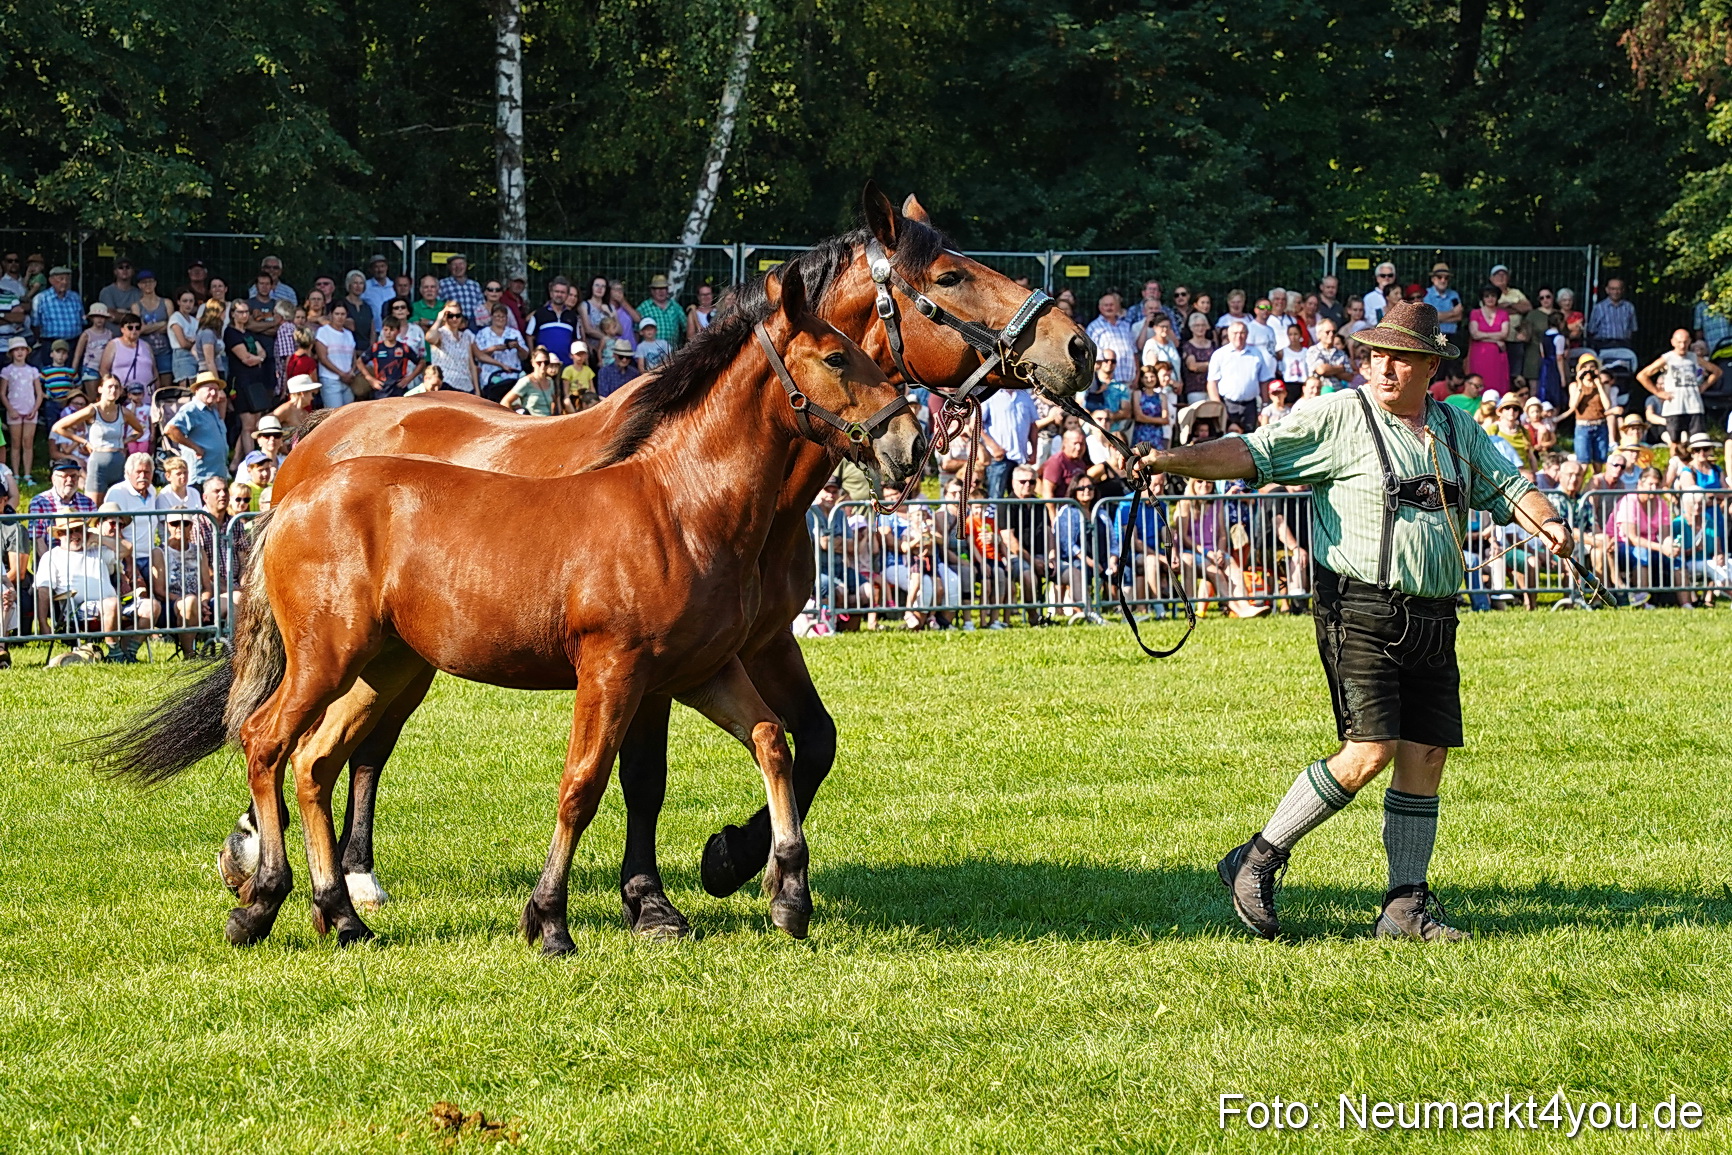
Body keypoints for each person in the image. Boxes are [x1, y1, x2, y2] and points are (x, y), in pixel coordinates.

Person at [1136, 300, 1569, 942]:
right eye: (1377, 355)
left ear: (1430, 365)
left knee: (1425, 753)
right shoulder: (1337, 415)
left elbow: (1507, 488)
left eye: (1400, 358)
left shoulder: (1456, 428)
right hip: (1360, 608)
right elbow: (1253, 452)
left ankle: (1405, 906)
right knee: (1368, 752)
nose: (1385, 368)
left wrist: (1550, 523)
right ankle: (1256, 859)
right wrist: (1170, 461)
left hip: (1435, 616)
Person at [32, 518, 128, 658]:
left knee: (151, 607)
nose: (75, 535)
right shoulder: (52, 556)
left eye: (79, 530)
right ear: (59, 534)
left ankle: (129, 653)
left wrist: (97, 537)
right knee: (112, 603)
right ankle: (115, 654)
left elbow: (128, 549)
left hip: (112, 605)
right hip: (77, 610)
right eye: (69, 532)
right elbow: (43, 590)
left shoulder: (97, 551)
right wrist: (43, 623)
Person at [52, 376, 141, 497]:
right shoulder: (92, 410)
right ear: (100, 389)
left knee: (119, 508)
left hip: (118, 463)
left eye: (116, 387)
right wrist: (84, 442)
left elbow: (139, 431)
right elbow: (58, 427)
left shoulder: (124, 412)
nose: (113, 390)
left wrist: (124, 442)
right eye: (109, 386)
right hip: (98, 463)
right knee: (94, 510)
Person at [1636, 328, 1721, 444]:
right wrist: (1658, 392)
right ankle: (1674, 461)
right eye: (1679, 342)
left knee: (1698, 440)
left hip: (1694, 405)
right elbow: (1642, 375)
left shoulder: (1694, 358)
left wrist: (1704, 386)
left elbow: (1717, 371)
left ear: (1690, 341)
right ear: (1673, 342)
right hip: (1674, 407)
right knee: (1675, 442)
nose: (1682, 345)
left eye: (1685, 342)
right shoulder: (1667, 358)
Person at [1206, 320, 1277, 433]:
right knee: (1226, 441)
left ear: (1247, 334)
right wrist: (1217, 404)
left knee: (1250, 439)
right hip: (1228, 405)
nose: (1238, 336)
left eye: (1242, 333)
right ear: (1229, 335)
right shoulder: (1220, 355)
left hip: (1250, 405)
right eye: (1235, 333)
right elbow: (1212, 382)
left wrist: (1264, 404)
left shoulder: (1256, 353)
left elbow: (1263, 381)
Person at [163, 373, 231, 484]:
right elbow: (170, 430)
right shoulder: (191, 410)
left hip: (217, 475)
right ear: (197, 390)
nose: (214, 393)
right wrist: (195, 447)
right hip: (200, 477)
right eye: (209, 389)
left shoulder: (212, 410)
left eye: (216, 390)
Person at [981, 384, 1037, 498]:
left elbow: (1033, 426)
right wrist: (994, 447)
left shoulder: (1025, 396)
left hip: (1020, 459)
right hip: (999, 459)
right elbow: (976, 425)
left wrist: (1035, 451)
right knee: (995, 500)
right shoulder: (989, 395)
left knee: (1020, 498)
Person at [3, 337, 43, 479]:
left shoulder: (32, 370)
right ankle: (15, 474)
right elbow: (2, 393)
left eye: (22, 349)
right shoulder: (7, 371)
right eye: (16, 350)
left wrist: (35, 409)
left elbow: (39, 393)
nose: (19, 352)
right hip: (14, 410)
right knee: (15, 443)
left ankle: (27, 474)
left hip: (30, 411)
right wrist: (10, 409)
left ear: (27, 352)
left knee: (28, 442)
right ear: (12, 353)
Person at [356, 316, 421, 399]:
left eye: (392, 330)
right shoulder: (376, 347)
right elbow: (359, 361)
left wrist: (409, 378)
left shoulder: (404, 348)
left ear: (398, 331)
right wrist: (370, 379)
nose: (388, 333)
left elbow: (421, 362)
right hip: (381, 390)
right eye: (386, 330)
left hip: (399, 389)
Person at [29, 266, 83, 363]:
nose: (65, 282)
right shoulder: (41, 298)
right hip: (50, 344)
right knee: (51, 374)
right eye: (61, 279)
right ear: (51, 280)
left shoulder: (75, 297)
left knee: (70, 374)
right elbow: (35, 325)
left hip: (73, 343)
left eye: (67, 279)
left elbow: (82, 320)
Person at [474, 303, 529, 399]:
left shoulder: (514, 333)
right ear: (491, 317)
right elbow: (478, 355)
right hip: (492, 377)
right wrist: (495, 348)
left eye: (503, 316)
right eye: (497, 316)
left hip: (514, 375)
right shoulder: (483, 333)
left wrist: (518, 347)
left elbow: (525, 356)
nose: (500, 319)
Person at [1465, 284, 1511, 397]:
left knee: (1497, 382)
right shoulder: (1475, 313)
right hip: (1479, 354)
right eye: (1487, 296)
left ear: (1497, 297)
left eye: (1493, 295)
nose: (1490, 298)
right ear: (1482, 298)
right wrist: (1495, 340)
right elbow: (1475, 334)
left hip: (1497, 356)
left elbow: (1504, 334)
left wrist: (1484, 336)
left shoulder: (1503, 313)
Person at [425, 303, 480, 394]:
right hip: (446, 384)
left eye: (457, 315)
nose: (454, 319)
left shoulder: (466, 336)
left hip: (466, 386)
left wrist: (477, 390)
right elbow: (429, 338)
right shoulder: (440, 333)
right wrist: (439, 318)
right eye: (450, 315)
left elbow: (471, 365)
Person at [99, 312, 157, 393]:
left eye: (137, 327)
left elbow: (154, 372)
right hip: (122, 393)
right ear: (122, 329)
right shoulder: (114, 344)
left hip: (146, 395)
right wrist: (115, 388)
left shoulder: (146, 346)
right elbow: (103, 370)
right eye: (130, 328)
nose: (134, 330)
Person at [1086, 293, 1135, 385]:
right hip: (1107, 382)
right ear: (1100, 308)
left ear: (1117, 307)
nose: (1109, 308)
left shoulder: (1126, 325)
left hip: (1129, 382)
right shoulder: (1094, 327)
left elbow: (1134, 352)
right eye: (1106, 305)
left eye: (1112, 305)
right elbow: (1091, 355)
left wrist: (1136, 377)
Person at [501, 349, 562, 416]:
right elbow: (505, 402)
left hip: (548, 421)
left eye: (546, 362)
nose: (543, 366)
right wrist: (515, 420)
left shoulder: (550, 381)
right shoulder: (526, 381)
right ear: (532, 363)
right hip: (532, 422)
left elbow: (553, 402)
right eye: (539, 363)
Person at [1039, 427, 1092, 499]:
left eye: (1081, 444)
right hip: (1062, 507)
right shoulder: (1056, 462)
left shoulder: (1081, 462)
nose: (1078, 448)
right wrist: (1052, 510)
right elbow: (1047, 492)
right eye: (1075, 443)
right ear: (1065, 443)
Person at [1586, 278, 1637, 352]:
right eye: (1612, 289)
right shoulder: (1599, 308)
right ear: (1607, 290)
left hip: (1624, 345)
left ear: (1623, 290)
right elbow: (1591, 329)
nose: (1616, 292)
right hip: (1604, 344)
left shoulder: (1629, 307)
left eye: (1618, 289)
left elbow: (1633, 329)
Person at [636, 275, 685, 351]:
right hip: (649, 354)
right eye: (657, 289)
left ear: (667, 290)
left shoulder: (675, 307)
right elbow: (635, 330)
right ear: (652, 291)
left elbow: (686, 326)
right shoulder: (643, 307)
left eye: (663, 288)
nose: (661, 291)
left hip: (671, 354)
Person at [271, 374, 324, 442]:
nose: (312, 398)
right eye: (311, 394)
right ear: (302, 394)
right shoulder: (285, 409)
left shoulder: (305, 413)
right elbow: (265, 425)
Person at [437, 254, 484, 324]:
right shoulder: (443, 284)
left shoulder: (475, 285)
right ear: (449, 267)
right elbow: (438, 305)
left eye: (461, 264)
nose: (458, 267)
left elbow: (482, 305)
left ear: (466, 266)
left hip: (473, 324)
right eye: (454, 264)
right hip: (452, 323)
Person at [360, 255, 396, 326]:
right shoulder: (365, 286)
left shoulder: (393, 286)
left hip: (393, 329)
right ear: (371, 269)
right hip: (373, 329)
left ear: (387, 268)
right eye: (376, 267)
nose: (380, 270)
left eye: (382, 266)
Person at [561, 342, 596, 409]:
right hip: (574, 396)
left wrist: (594, 395)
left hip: (587, 395)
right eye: (577, 354)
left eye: (582, 354)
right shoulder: (568, 370)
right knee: (567, 402)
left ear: (586, 355)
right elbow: (566, 387)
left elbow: (592, 387)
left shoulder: (588, 370)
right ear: (571, 355)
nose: (580, 357)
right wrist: (567, 396)